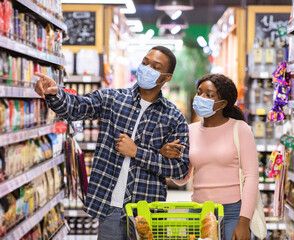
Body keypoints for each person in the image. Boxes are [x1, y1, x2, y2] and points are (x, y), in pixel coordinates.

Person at [34, 46, 190, 240]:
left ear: (167, 77)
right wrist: (54, 93)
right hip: (110, 209)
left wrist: (137, 152)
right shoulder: (112, 99)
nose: (147, 68)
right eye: (145, 62)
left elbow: (181, 170)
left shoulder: (174, 118)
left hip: (148, 213)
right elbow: (75, 107)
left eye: (156, 67)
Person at [161, 74, 259, 240]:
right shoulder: (189, 130)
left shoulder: (240, 129)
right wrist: (169, 160)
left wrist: (243, 222)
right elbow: (183, 179)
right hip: (198, 212)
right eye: (199, 93)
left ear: (223, 103)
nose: (201, 98)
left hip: (232, 213)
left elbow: (251, 177)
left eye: (209, 95)